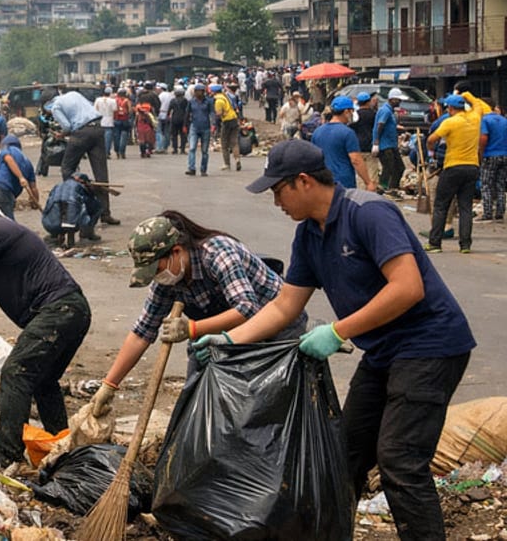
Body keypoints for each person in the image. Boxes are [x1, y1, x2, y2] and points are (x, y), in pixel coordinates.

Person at [195, 139, 475, 540]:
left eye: (278, 190)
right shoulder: (309, 235)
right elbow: (284, 306)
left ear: (304, 181)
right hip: (383, 352)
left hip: (429, 345)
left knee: (399, 459)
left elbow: (407, 287)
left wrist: (337, 331)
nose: (276, 202)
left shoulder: (368, 213)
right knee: (343, 456)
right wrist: (228, 339)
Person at [79, 211, 305, 424]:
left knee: (262, 406)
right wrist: (109, 384)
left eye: (156, 269)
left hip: (276, 327)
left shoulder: (217, 253)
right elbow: (142, 333)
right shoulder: (167, 280)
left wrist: (192, 329)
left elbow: (247, 308)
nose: (157, 277)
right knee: (198, 399)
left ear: (176, 251)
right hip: (220, 332)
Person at [0, 187, 91, 468]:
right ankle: (60, 448)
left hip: (58, 310)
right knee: (44, 381)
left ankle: (8, 454)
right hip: (72, 310)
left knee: (15, 371)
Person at [50, 88, 118, 225]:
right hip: (97, 128)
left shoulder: (55, 106)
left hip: (81, 133)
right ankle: (105, 213)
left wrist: (61, 135)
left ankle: (71, 209)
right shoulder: (74, 94)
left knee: (67, 169)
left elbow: (67, 127)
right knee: (101, 174)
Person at [426, 95, 482, 253]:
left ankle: (435, 243)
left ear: (450, 108)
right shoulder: (475, 118)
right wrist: (465, 94)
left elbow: (431, 139)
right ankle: (465, 245)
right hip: (472, 167)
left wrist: (431, 152)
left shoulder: (450, 122)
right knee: (465, 208)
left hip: (453, 167)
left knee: (441, 206)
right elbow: (477, 103)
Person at [311, 96, 377, 191]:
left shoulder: (317, 132)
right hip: (343, 182)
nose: (352, 114)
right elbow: (356, 160)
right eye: (352, 111)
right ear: (346, 112)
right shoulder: (348, 133)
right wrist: (368, 182)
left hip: (323, 181)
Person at [0, 134, 39, 220]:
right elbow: (33, 188)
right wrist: (35, 201)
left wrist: (20, 177)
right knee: (7, 220)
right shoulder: (28, 162)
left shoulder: (9, 149)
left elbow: (8, 158)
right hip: (4, 191)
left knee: (3, 219)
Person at [41, 173, 102, 247]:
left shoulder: (57, 186)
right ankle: (86, 233)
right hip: (71, 224)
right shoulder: (79, 187)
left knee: (60, 209)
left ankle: (55, 236)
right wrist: (91, 191)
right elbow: (90, 203)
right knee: (97, 207)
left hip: (50, 223)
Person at [374, 88, 406, 192]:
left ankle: (392, 188)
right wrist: (376, 142)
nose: (400, 102)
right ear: (392, 99)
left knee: (399, 167)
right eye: (398, 100)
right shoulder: (385, 111)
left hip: (392, 144)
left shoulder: (391, 111)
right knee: (388, 168)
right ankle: (383, 187)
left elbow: (387, 125)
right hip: (385, 145)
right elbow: (380, 125)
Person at [480, 107, 507, 221]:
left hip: (490, 155)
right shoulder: (504, 120)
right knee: (500, 184)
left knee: (486, 185)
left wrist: (481, 153)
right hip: (504, 155)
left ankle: (487, 213)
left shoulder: (485, 120)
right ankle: (500, 212)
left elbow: (483, 137)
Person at [352, 92, 380, 191]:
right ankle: (371, 193)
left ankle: (360, 192)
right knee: (372, 172)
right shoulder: (374, 114)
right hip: (370, 146)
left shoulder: (355, 115)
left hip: (357, 146)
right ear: (368, 102)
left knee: (360, 172)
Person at [186, 83, 212, 176]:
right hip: (194, 126)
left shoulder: (208, 102)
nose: (199, 93)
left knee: (204, 151)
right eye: (197, 91)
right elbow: (187, 113)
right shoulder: (191, 102)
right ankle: (191, 168)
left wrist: (213, 125)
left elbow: (212, 113)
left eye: (200, 91)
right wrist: (185, 125)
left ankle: (203, 169)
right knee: (192, 148)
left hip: (206, 127)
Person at [213, 83, 241, 171]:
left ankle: (227, 164)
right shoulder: (226, 97)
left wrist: (215, 123)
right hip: (234, 119)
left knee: (224, 143)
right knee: (234, 142)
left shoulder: (218, 101)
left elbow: (219, 114)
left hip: (227, 122)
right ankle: (237, 159)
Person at [93, 86, 117, 159]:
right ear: (110, 93)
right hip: (109, 121)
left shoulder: (98, 99)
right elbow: (115, 109)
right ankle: (106, 152)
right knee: (108, 139)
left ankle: (99, 152)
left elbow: (95, 109)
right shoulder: (113, 101)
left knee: (99, 139)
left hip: (100, 121)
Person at [168, 85, 189, 154]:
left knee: (174, 134)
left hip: (174, 118)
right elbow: (188, 109)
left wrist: (168, 115)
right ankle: (182, 149)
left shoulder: (173, 100)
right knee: (183, 134)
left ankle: (175, 149)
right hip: (183, 118)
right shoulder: (185, 100)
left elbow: (169, 109)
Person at [112, 89, 132, 158]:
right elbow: (130, 110)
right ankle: (122, 152)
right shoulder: (127, 101)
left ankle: (117, 151)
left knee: (116, 136)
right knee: (124, 136)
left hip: (116, 119)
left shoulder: (115, 100)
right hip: (125, 120)